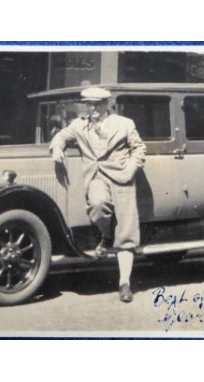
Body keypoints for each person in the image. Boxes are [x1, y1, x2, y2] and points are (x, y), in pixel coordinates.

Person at [50, 87, 146, 303]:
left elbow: (139, 148)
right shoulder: (79, 124)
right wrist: (57, 149)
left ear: (106, 105)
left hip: (122, 178)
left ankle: (124, 283)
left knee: (126, 233)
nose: (91, 108)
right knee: (97, 204)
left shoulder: (124, 123)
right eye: (88, 104)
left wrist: (131, 168)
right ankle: (106, 235)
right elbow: (62, 136)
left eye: (96, 104)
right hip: (95, 178)